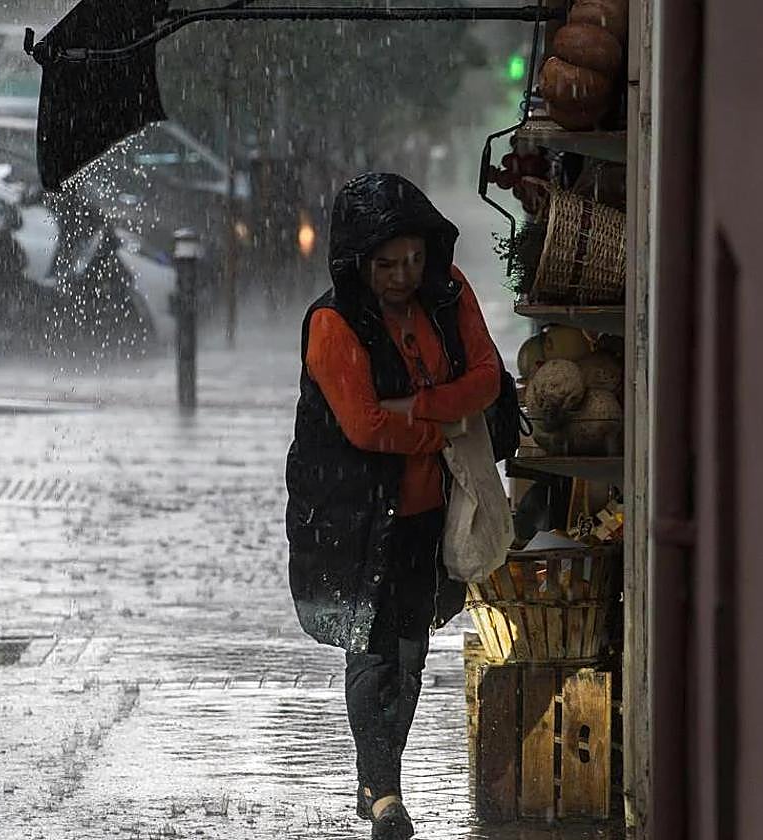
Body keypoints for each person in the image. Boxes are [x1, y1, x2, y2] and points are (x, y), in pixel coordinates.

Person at [285, 173, 504, 839]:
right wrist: (438, 431)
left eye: (412, 259)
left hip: (427, 512)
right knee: (372, 649)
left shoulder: (449, 293)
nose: (403, 276)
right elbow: (364, 426)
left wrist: (420, 406)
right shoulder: (333, 323)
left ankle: (379, 779)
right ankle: (385, 794)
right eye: (386, 265)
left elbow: (487, 378)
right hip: (353, 515)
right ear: (357, 262)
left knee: (410, 652)